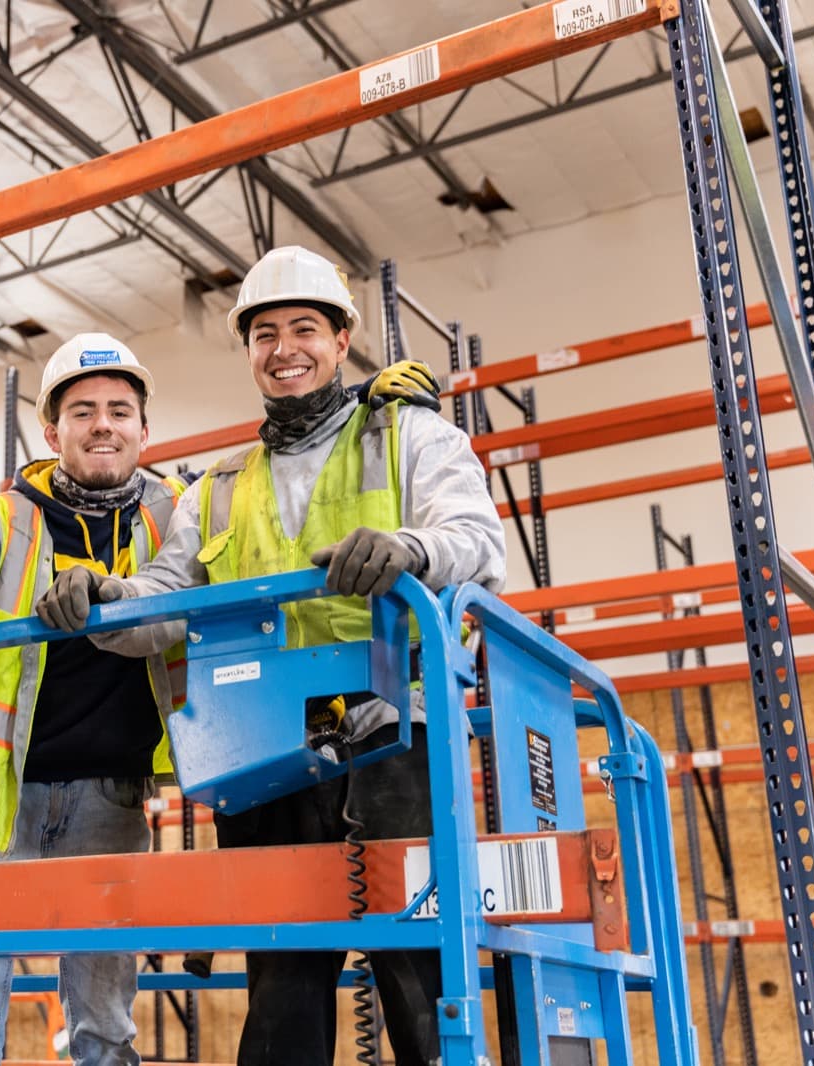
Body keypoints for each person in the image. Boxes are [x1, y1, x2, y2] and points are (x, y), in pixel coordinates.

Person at [0, 331, 441, 1065]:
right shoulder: (4, 514)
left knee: (104, 1017)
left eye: (120, 411)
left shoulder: (176, 508)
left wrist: (356, 406)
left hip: (111, 797)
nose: (104, 425)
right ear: (52, 430)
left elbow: (269, 476)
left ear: (143, 429)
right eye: (84, 411)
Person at [37, 245, 506, 1066]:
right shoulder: (216, 485)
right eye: (265, 334)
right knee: (283, 973)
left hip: (395, 725)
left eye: (304, 328)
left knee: (416, 969)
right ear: (249, 351)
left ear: (341, 337)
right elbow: (164, 600)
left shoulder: (411, 436)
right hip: (267, 742)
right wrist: (103, 601)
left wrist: (405, 547)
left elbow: (477, 542)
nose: (284, 347)